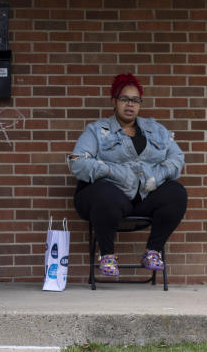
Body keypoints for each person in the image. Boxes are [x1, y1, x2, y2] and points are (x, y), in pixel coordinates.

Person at [69, 73, 187, 276]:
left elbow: (176, 159)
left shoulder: (156, 130)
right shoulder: (97, 130)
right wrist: (113, 172)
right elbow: (77, 162)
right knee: (105, 194)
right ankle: (107, 255)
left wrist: (154, 177)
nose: (129, 104)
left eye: (135, 100)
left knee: (176, 192)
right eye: (124, 99)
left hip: (144, 195)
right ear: (114, 101)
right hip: (110, 197)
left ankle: (152, 251)